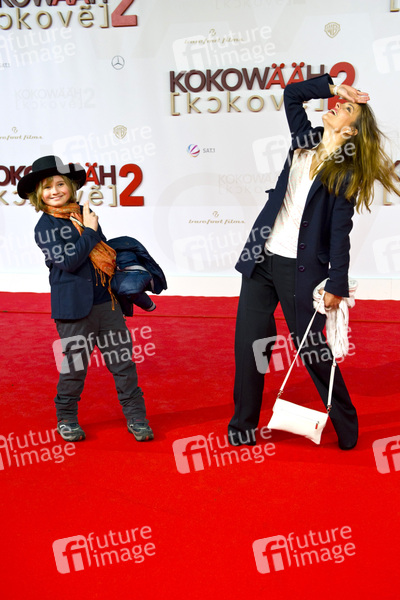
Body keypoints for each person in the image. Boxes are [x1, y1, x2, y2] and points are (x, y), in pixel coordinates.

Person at [228, 74, 400, 450]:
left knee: (311, 351)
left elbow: (340, 234)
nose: (337, 107)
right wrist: (336, 88)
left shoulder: (345, 174)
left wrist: (337, 284)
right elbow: (292, 94)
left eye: (346, 109)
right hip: (261, 258)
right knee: (249, 345)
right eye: (340, 103)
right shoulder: (304, 140)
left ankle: (345, 421)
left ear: (350, 132)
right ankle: (242, 425)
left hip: (299, 270)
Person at [17, 155, 154, 443]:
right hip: (73, 311)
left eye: (59, 184)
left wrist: (93, 232)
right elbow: (68, 262)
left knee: (123, 364)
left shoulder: (84, 212)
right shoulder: (45, 226)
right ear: (38, 195)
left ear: (70, 185)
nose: (54, 191)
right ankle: (66, 419)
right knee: (75, 368)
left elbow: (101, 254)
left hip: (107, 303)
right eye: (46, 187)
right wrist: (90, 231)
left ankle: (137, 417)